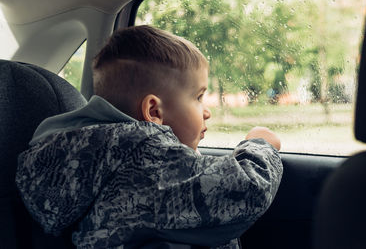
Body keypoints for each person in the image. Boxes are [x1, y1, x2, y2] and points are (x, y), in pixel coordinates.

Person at [16, 25, 283, 249]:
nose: (208, 111)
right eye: (198, 97)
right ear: (154, 110)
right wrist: (261, 145)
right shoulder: (140, 155)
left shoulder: (89, 157)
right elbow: (245, 190)